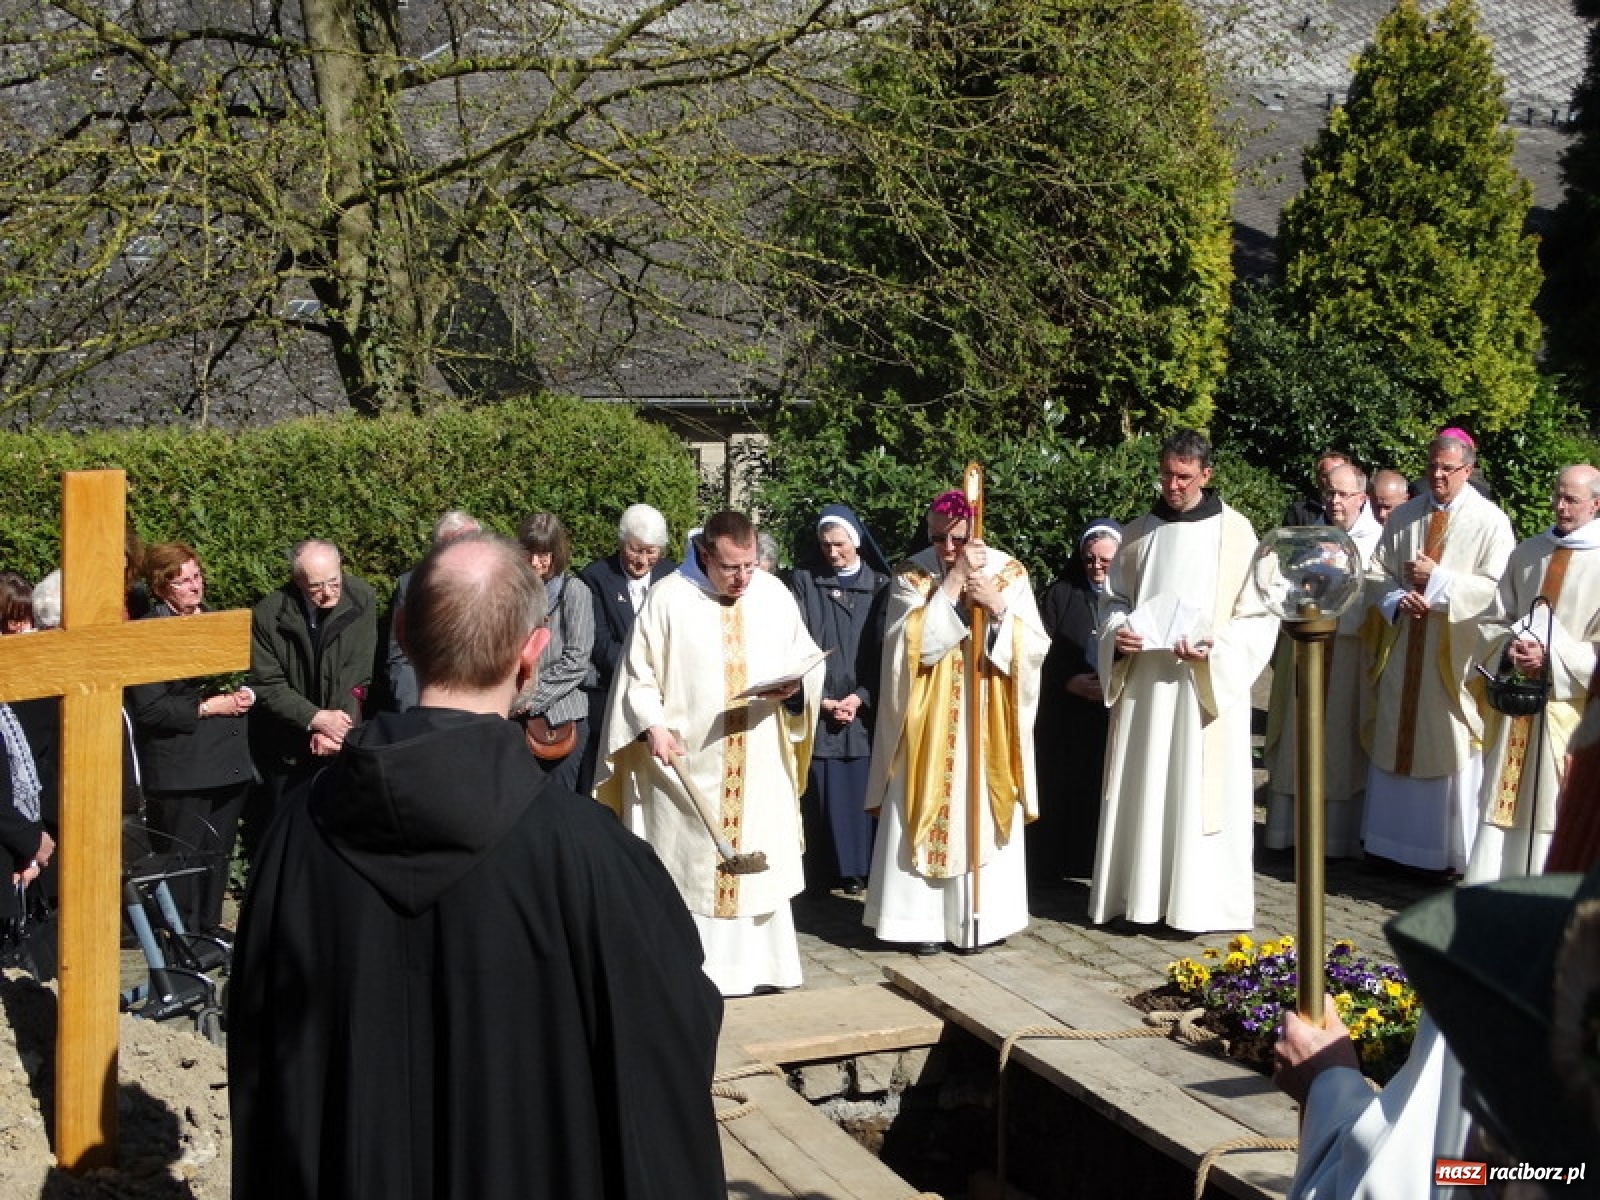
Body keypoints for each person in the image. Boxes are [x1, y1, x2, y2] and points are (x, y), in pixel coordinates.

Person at [228, 532, 724, 1200]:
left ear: (400, 631)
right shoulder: (593, 857)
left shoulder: (295, 835)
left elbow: (262, 1054)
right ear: (533, 653)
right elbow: (669, 1043)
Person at [596, 510, 824, 996]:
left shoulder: (773, 595)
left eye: (749, 565)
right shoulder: (668, 599)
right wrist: (652, 726)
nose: (743, 578)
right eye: (730, 568)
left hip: (757, 757)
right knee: (691, 863)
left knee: (758, 861)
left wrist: (795, 689)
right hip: (689, 762)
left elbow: (805, 659)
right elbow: (638, 677)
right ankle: (692, 972)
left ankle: (764, 970)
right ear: (704, 555)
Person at [1090, 430, 1278, 932]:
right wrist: (1117, 634)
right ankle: (1139, 898)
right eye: (1167, 474)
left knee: (1198, 789)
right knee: (1147, 783)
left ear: (1207, 475)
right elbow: (1112, 603)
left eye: (1184, 477)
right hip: (1146, 688)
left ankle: (1200, 904)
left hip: (1204, 689)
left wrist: (1216, 649)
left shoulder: (1238, 534)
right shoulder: (1137, 532)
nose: (1172, 486)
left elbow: (1258, 614)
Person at [863, 489, 1047, 956]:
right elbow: (909, 650)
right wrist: (952, 585)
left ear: (974, 533)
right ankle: (917, 921)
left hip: (987, 718)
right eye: (938, 538)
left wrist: (999, 607)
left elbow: (1034, 649)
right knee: (918, 802)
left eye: (957, 540)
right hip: (925, 721)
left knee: (982, 806)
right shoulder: (913, 574)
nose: (947, 549)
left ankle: (982, 923)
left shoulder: (1008, 572)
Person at [1361, 431, 1514, 874]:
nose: (1438, 476)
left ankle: (1443, 855)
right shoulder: (1405, 514)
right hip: (1405, 642)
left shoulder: (1490, 522)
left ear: (1467, 469)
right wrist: (1394, 599)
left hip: (1451, 659)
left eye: (1448, 468)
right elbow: (1376, 573)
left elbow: (1499, 591)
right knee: (1396, 732)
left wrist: (1440, 582)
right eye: (1432, 466)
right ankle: (1387, 847)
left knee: (1447, 740)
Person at [1464, 465, 1600, 883]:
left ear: (1596, 503)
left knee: (1551, 804)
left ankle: (1543, 892)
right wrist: (1510, 646)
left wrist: (1552, 658)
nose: (1560, 506)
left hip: (1569, 713)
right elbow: (1494, 617)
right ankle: (1489, 887)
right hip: (1516, 709)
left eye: (1571, 499)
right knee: (1502, 799)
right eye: (1557, 496)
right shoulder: (1527, 552)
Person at [126, 544, 256, 933]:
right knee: (182, 861)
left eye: (196, 576)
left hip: (228, 763)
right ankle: (180, 939)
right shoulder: (147, 633)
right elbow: (151, 709)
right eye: (182, 581)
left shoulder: (219, 622)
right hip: (182, 767)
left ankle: (210, 932)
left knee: (216, 856)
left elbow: (254, 672)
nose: (194, 587)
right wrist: (208, 707)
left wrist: (248, 693)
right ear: (161, 588)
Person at [1264, 463, 1384, 858]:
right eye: (1330, 493)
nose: (1335, 501)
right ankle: (1288, 831)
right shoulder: (1307, 536)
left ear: (1361, 498)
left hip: (1349, 653)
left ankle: (1335, 839)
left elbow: (1377, 596)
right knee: (1299, 737)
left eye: (1344, 495)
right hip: (1305, 650)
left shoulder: (1376, 542)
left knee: (1339, 741)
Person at [246, 539, 378, 857]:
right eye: (317, 586)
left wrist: (337, 728)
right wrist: (315, 719)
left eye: (335, 581)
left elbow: (358, 673)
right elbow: (268, 683)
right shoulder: (268, 615)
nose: (329, 593)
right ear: (298, 581)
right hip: (289, 745)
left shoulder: (362, 599)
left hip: (342, 736)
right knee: (287, 838)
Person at [790, 505, 890, 896]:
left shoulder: (882, 585)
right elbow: (796, 642)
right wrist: (824, 698)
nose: (832, 553)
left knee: (859, 787)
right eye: (825, 545)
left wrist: (862, 696)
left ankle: (859, 868)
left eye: (839, 544)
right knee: (821, 788)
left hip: (863, 708)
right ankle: (824, 868)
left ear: (856, 542)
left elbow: (888, 650)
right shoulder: (804, 582)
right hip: (820, 703)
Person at [1030, 519, 1122, 886]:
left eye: (1105, 561)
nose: (1096, 568)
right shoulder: (1059, 595)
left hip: (1114, 708)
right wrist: (1068, 681)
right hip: (1066, 710)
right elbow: (1039, 652)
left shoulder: (1131, 597)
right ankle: (1057, 863)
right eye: (1089, 560)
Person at [577, 504, 677, 794]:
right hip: (612, 695)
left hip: (664, 697)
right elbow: (600, 641)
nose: (642, 560)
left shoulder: (673, 577)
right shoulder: (595, 578)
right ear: (622, 544)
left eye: (651, 552)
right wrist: (639, 672)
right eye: (635, 550)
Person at [509, 513, 595, 794]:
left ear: (556, 554)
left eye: (543, 555)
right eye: (529, 554)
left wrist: (532, 697)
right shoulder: (513, 592)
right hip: (513, 716)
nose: (535, 563)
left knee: (557, 803)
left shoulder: (574, 591)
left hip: (561, 716)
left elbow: (577, 660)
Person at [383, 510, 481, 712]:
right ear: (440, 549)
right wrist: (412, 711)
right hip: (424, 704)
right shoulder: (411, 585)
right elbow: (401, 658)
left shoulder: (494, 582)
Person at [1283, 451, 1351, 526]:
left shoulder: (1360, 509)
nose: (1332, 479)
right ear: (1317, 478)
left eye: (1338, 474)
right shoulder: (1298, 512)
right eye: (1326, 475)